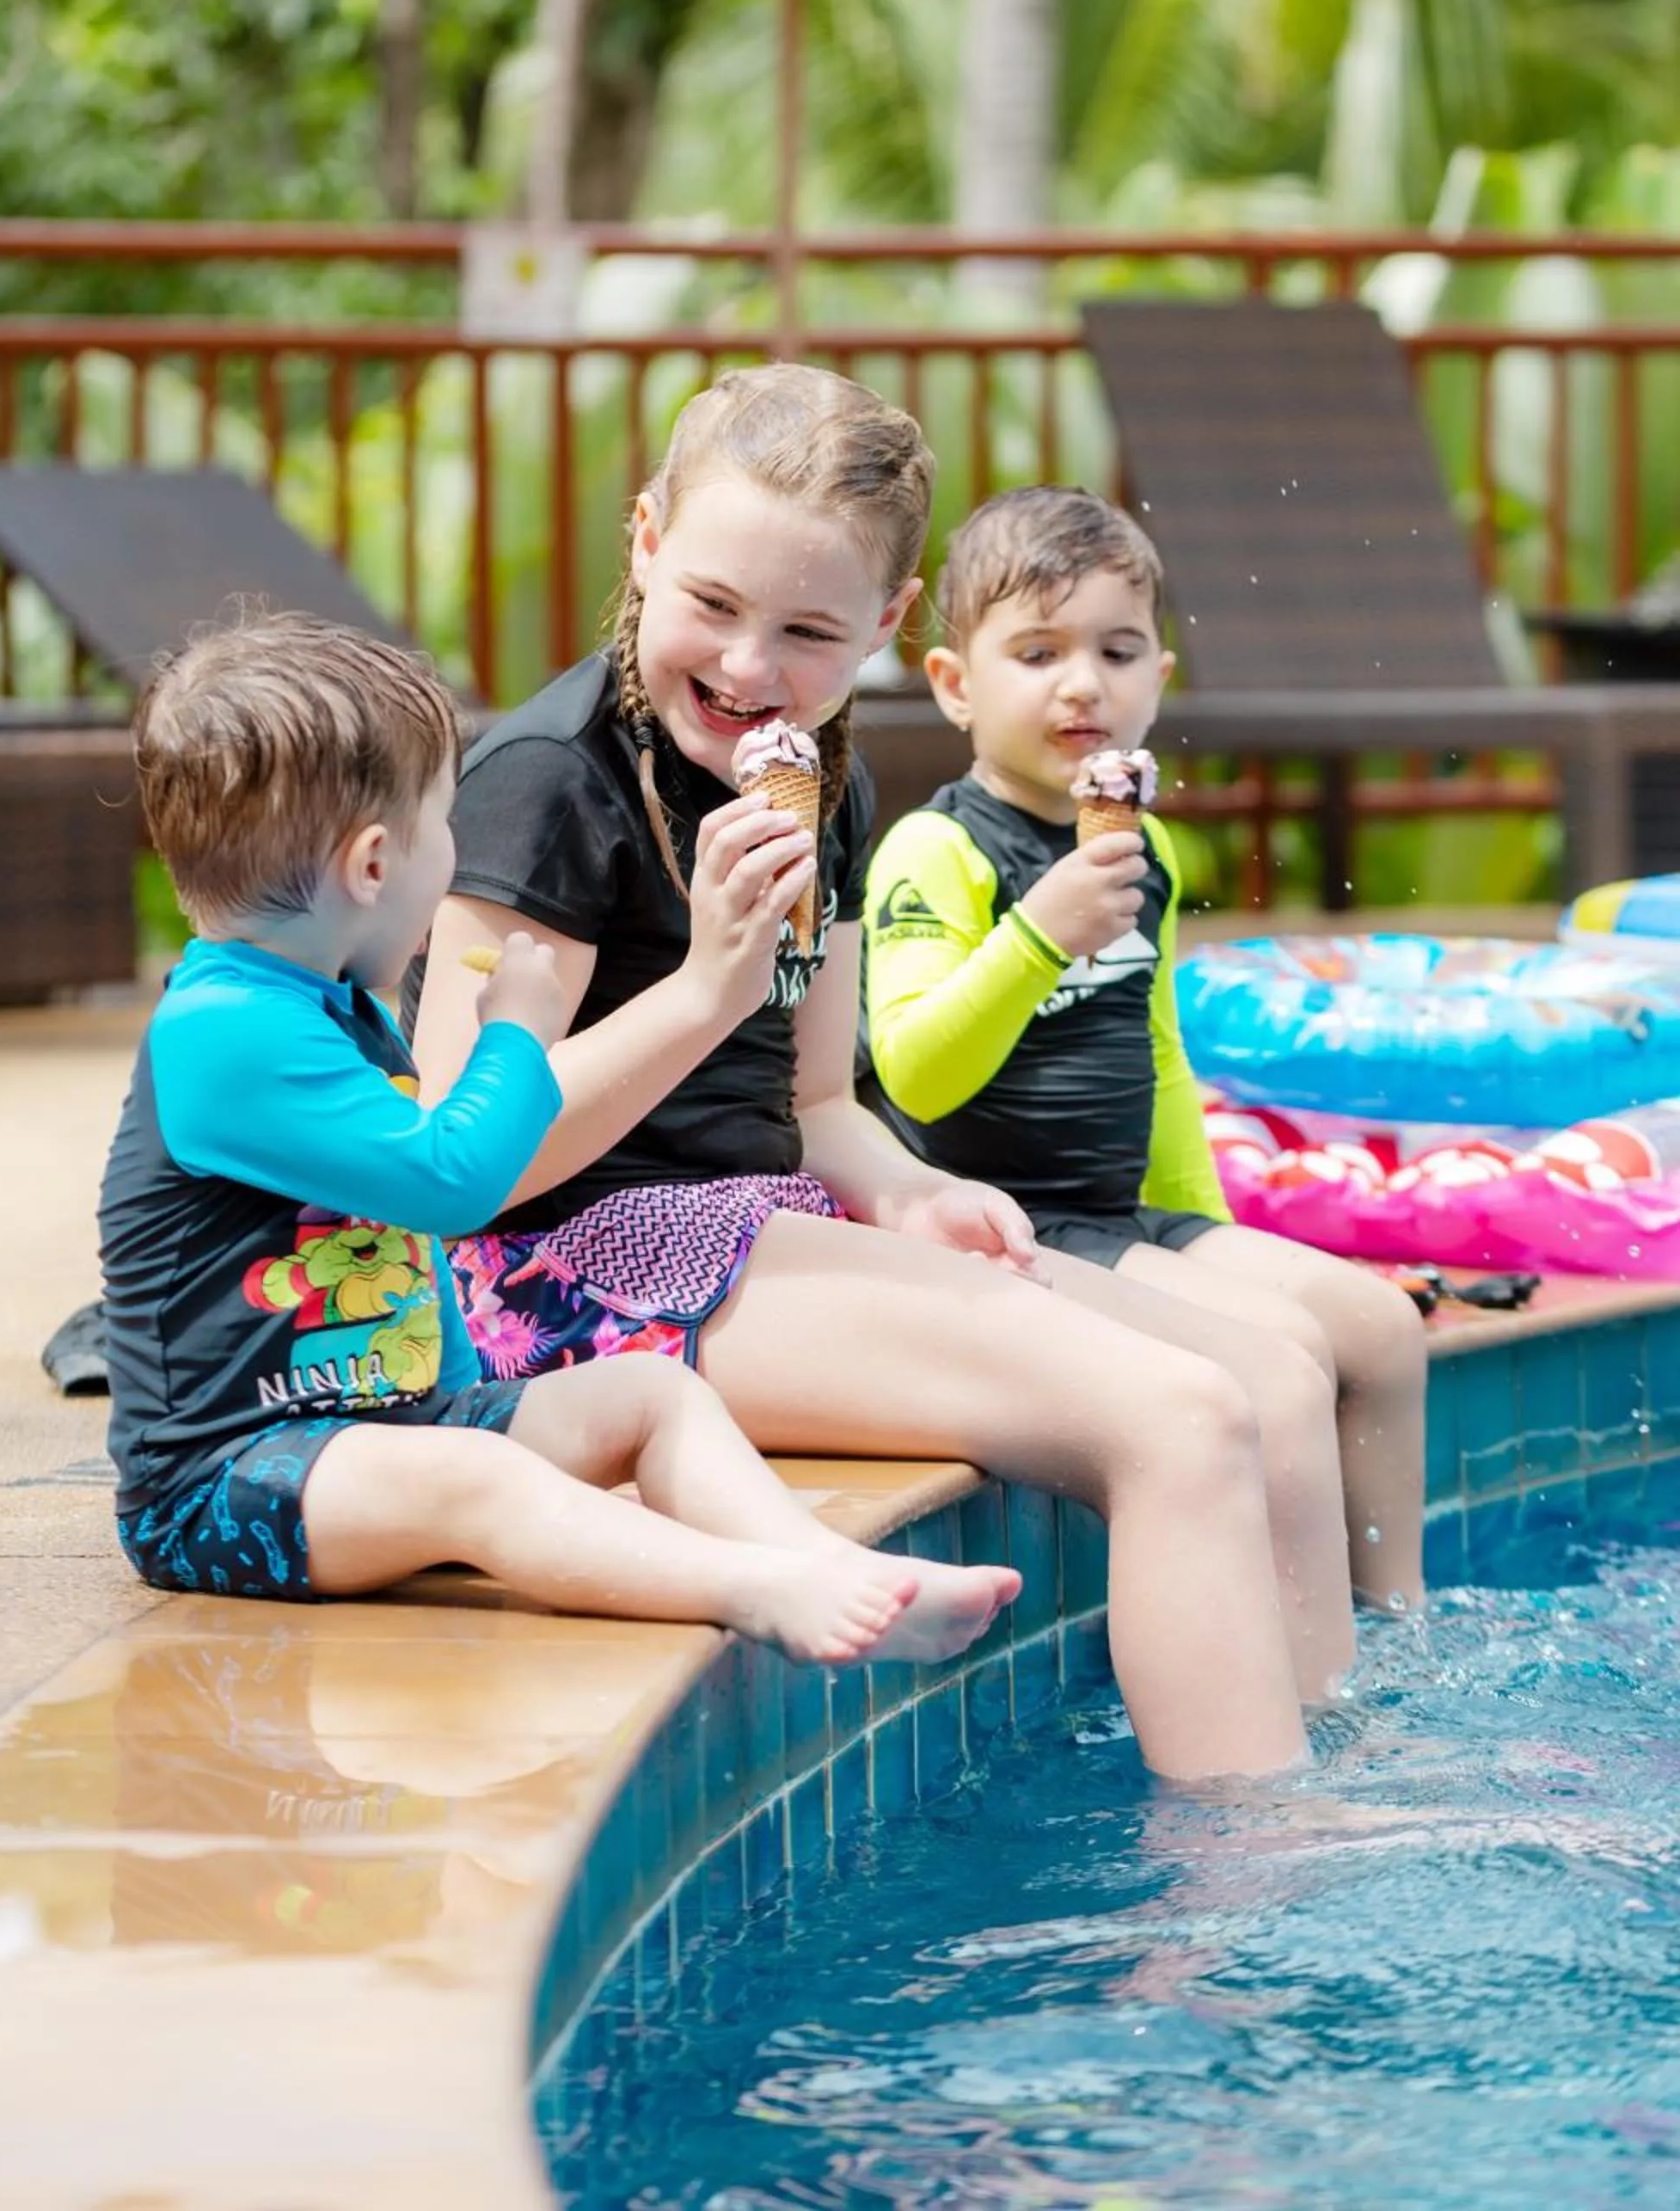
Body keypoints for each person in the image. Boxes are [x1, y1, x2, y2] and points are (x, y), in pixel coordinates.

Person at [411, 364, 1334, 1780]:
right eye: (713, 606)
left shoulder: (827, 781)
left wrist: (911, 1191)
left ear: (889, 629)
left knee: (1267, 1377)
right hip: (560, 1269)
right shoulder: (547, 784)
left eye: (808, 630)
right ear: (646, 540)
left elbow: (821, 1104)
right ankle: (1240, 1889)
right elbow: (457, 1172)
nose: (749, 668)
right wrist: (711, 988)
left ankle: (1333, 1765)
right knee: (1179, 1419)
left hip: (756, 1229)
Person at [98, 609, 1019, 1671]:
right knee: (478, 1486)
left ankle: (827, 1564)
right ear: (372, 864)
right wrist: (520, 1036)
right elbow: (449, 1184)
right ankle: (762, 1588)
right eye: (446, 827)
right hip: (228, 1476)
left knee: (653, 1393)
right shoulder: (223, 1033)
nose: (456, 857)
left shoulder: (316, 1001)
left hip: (408, 1419)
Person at [858, 485, 1429, 1613]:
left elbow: (1156, 1051)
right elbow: (913, 1068)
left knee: (1382, 1328)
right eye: (1037, 652)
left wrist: (1205, 1230)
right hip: (1008, 1224)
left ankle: (1398, 1621)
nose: (1084, 683)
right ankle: (1319, 1686)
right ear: (955, 686)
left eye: (1119, 651)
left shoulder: (1143, 846)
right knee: (1277, 1366)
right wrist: (1039, 933)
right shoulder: (936, 852)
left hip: (1129, 1212)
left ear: (1159, 678)